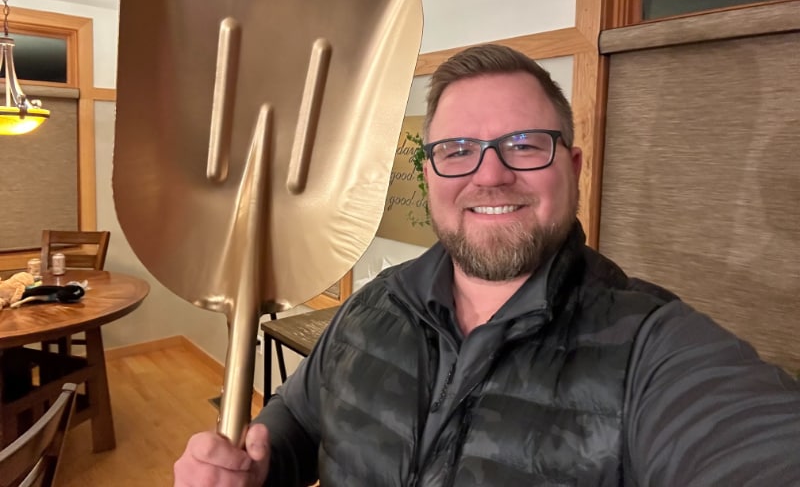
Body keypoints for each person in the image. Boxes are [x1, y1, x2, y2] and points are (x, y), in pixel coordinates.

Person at [174, 44, 800, 486]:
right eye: (457, 151)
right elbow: (301, 418)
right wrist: (258, 464)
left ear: (573, 168)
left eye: (525, 144)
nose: (490, 174)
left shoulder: (653, 348)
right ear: (429, 177)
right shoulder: (373, 305)